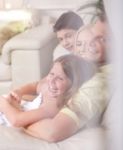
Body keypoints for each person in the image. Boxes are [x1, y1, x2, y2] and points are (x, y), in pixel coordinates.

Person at [24, 14, 112, 142]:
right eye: (80, 44)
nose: (86, 47)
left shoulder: (99, 82)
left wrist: (18, 119)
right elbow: (41, 84)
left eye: (102, 39)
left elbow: (53, 132)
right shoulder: (82, 65)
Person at [0, 54, 96, 127]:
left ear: (73, 85)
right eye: (52, 74)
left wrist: (3, 102)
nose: (51, 81)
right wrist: (19, 91)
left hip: (12, 116)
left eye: (60, 78)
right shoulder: (48, 85)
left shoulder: (53, 106)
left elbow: (16, 121)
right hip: (16, 108)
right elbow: (35, 85)